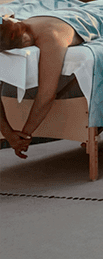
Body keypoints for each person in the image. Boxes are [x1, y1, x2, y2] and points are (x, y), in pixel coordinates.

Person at [0, 15, 82, 158]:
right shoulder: (13, 27)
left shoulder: (51, 37)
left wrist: (23, 136)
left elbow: (47, 95)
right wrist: (8, 134)